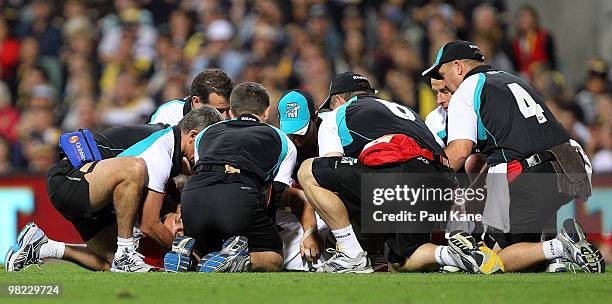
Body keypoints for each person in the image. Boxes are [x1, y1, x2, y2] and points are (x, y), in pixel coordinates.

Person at [422, 39, 605, 273]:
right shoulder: (512, 79)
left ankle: (559, 247)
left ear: (458, 67)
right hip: (570, 166)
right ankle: (553, 255)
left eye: (443, 74)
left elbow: (458, 153)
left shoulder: (465, 91)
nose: (443, 81)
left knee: (491, 260)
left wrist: (423, 176)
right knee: (520, 227)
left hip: (527, 175)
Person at [297, 72, 503, 274]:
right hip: (442, 182)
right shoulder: (407, 112)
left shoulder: (337, 115)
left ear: (338, 100)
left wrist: (335, 232)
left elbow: (331, 176)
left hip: (400, 175)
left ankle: (351, 256)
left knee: (308, 170)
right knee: (400, 262)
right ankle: (453, 254)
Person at [5, 106, 223, 272]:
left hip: (89, 188)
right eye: (208, 143)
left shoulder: (167, 144)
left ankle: (41, 246)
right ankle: (127, 252)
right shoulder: (162, 149)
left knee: (109, 262)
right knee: (134, 167)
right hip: (69, 178)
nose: (208, 151)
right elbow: (149, 225)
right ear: (193, 135)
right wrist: (189, 255)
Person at [175, 82, 297, 272]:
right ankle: (237, 260)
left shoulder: (206, 133)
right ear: (266, 112)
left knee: (209, 248)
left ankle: (188, 255)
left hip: (193, 195)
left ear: (231, 111)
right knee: (273, 258)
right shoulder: (281, 138)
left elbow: (198, 170)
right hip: (239, 194)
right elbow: (276, 193)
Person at [276, 89, 328, 271]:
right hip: (302, 210)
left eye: (301, 129)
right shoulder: (283, 143)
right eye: (291, 130)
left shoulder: (331, 134)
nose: (296, 136)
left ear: (315, 117)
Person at [149, 68, 233, 124]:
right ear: (196, 102)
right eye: (218, 111)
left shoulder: (234, 117)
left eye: (228, 109)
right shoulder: (167, 116)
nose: (226, 117)